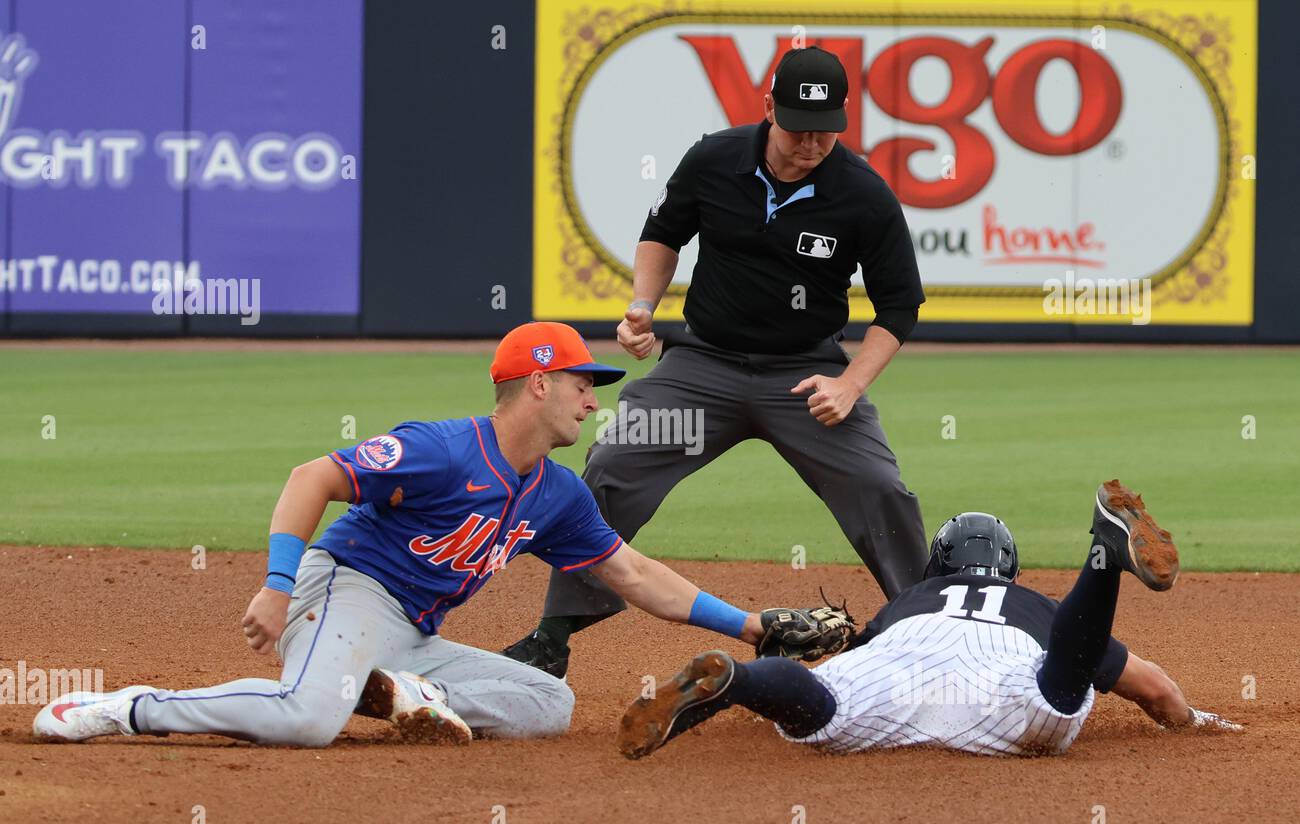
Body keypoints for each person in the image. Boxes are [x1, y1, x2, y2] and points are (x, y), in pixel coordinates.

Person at [34, 323, 833, 748]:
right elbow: (311, 476)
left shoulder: (554, 494)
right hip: (342, 589)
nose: (593, 402)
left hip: (411, 635)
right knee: (309, 720)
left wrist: (752, 625)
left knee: (547, 701)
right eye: (584, 385)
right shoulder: (443, 448)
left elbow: (633, 574)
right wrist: (278, 585)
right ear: (538, 383)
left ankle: (409, 692)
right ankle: (132, 708)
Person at [504, 45, 929, 679]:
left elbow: (899, 306)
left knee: (879, 488)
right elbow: (664, 233)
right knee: (615, 462)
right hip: (702, 366)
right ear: (767, 109)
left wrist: (849, 384)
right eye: (796, 125)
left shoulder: (863, 194)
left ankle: (932, 631)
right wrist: (642, 305)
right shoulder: (714, 159)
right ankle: (553, 635)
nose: (810, 141)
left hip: (804, 376)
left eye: (825, 128)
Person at [618, 480, 1243, 760]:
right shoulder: (1037, 608)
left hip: (898, 661)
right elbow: (1155, 691)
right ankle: (1102, 558)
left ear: (937, 567)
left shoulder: (901, 607)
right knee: (1057, 690)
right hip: (1000, 679)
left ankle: (738, 684)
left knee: (824, 708)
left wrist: (781, 668)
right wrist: (1196, 722)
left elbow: (831, 671)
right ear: (1011, 569)